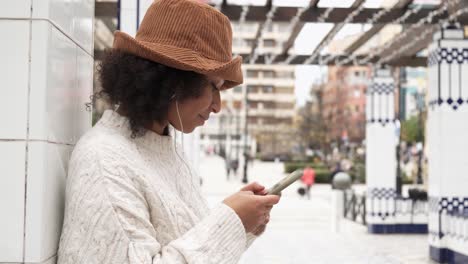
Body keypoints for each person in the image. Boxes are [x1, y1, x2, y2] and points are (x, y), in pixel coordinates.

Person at [57, 1, 281, 263]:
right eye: (213, 86)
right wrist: (231, 220)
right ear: (172, 80)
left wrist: (241, 225)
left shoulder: (162, 147)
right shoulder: (104, 160)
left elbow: (185, 241)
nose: (218, 106)